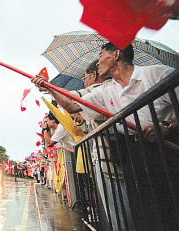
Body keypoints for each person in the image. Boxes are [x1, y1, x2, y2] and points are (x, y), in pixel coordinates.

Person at [34, 42, 179, 230]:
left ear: (116, 55)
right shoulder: (105, 90)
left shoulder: (158, 74)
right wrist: (50, 88)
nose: (98, 61)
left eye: (101, 55)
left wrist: (167, 126)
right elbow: (72, 105)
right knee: (145, 213)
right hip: (134, 155)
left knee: (171, 209)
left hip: (167, 150)